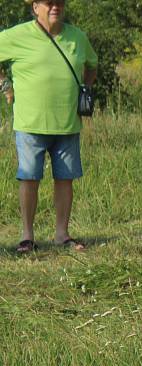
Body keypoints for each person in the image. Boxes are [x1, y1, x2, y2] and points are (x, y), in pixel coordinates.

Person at [0, 0, 97, 253]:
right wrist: (5, 86)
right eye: (49, 2)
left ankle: (62, 235)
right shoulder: (18, 35)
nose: (56, 6)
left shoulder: (78, 37)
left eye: (60, 2)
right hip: (30, 124)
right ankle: (27, 237)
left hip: (67, 123)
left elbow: (92, 66)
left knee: (65, 179)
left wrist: (84, 91)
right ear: (35, 7)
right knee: (29, 178)